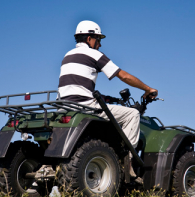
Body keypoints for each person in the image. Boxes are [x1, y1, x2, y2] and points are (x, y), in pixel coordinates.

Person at [58, 20, 158, 180]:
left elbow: (78, 86)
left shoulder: (67, 55)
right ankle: (128, 162)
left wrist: (108, 98)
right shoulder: (94, 54)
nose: (100, 44)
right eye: (98, 40)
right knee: (132, 114)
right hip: (84, 106)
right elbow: (123, 76)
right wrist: (147, 89)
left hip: (63, 106)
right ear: (89, 38)